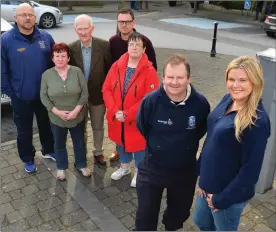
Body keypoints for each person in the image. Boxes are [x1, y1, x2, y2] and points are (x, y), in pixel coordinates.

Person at [193, 56, 271, 231]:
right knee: (201, 222)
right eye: (231, 79)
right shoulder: (227, 99)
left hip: (226, 195)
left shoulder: (257, 121)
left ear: (255, 82)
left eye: (243, 80)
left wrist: (222, 200)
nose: (235, 85)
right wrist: (201, 173)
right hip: (208, 184)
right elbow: (211, 137)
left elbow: (250, 172)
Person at [135, 54, 210, 230]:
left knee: (179, 213)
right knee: (145, 213)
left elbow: (201, 129)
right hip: (153, 167)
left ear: (189, 79)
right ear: (163, 78)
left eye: (179, 77)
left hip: (184, 171)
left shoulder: (200, 103)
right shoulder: (150, 101)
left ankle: (171, 227)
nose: (174, 82)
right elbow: (142, 126)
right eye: (170, 77)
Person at [1, 3, 56, 173]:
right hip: (21, 96)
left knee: (46, 125)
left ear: (35, 17)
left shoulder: (46, 37)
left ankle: (49, 150)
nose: (27, 18)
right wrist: (10, 92)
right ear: (15, 18)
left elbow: (55, 65)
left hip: (44, 95)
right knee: (24, 131)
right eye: (23, 15)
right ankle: (28, 158)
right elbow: (2, 69)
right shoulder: (6, 40)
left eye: (30, 14)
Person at [102, 32, 160, 187]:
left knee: (139, 147)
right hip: (117, 117)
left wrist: (127, 114)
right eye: (131, 44)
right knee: (121, 143)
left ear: (144, 49)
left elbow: (149, 99)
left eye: (138, 45)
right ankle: (125, 168)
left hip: (136, 119)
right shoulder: (117, 65)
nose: (134, 47)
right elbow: (106, 88)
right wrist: (114, 110)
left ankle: (139, 172)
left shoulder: (149, 71)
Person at [109, 8, 157, 162]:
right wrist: (114, 108)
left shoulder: (145, 41)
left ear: (133, 22)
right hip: (118, 99)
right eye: (121, 22)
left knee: (137, 139)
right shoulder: (113, 42)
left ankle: (139, 168)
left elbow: (152, 75)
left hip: (135, 102)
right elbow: (108, 81)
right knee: (121, 134)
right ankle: (121, 156)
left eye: (127, 21)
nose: (124, 25)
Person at [40, 43, 91, 181]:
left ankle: (81, 165)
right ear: (52, 58)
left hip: (77, 115)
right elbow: (43, 97)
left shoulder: (77, 72)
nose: (60, 59)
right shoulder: (47, 75)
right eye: (57, 56)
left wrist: (76, 110)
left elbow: (85, 93)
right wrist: (57, 112)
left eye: (63, 56)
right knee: (59, 143)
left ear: (68, 58)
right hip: (56, 118)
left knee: (79, 142)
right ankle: (61, 167)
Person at [69, 15, 112, 166]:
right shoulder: (71, 48)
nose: (83, 32)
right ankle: (81, 154)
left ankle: (98, 152)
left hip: (98, 95)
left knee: (98, 126)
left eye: (85, 28)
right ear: (75, 30)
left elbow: (110, 72)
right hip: (78, 98)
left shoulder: (104, 46)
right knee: (80, 128)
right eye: (79, 29)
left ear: (92, 28)